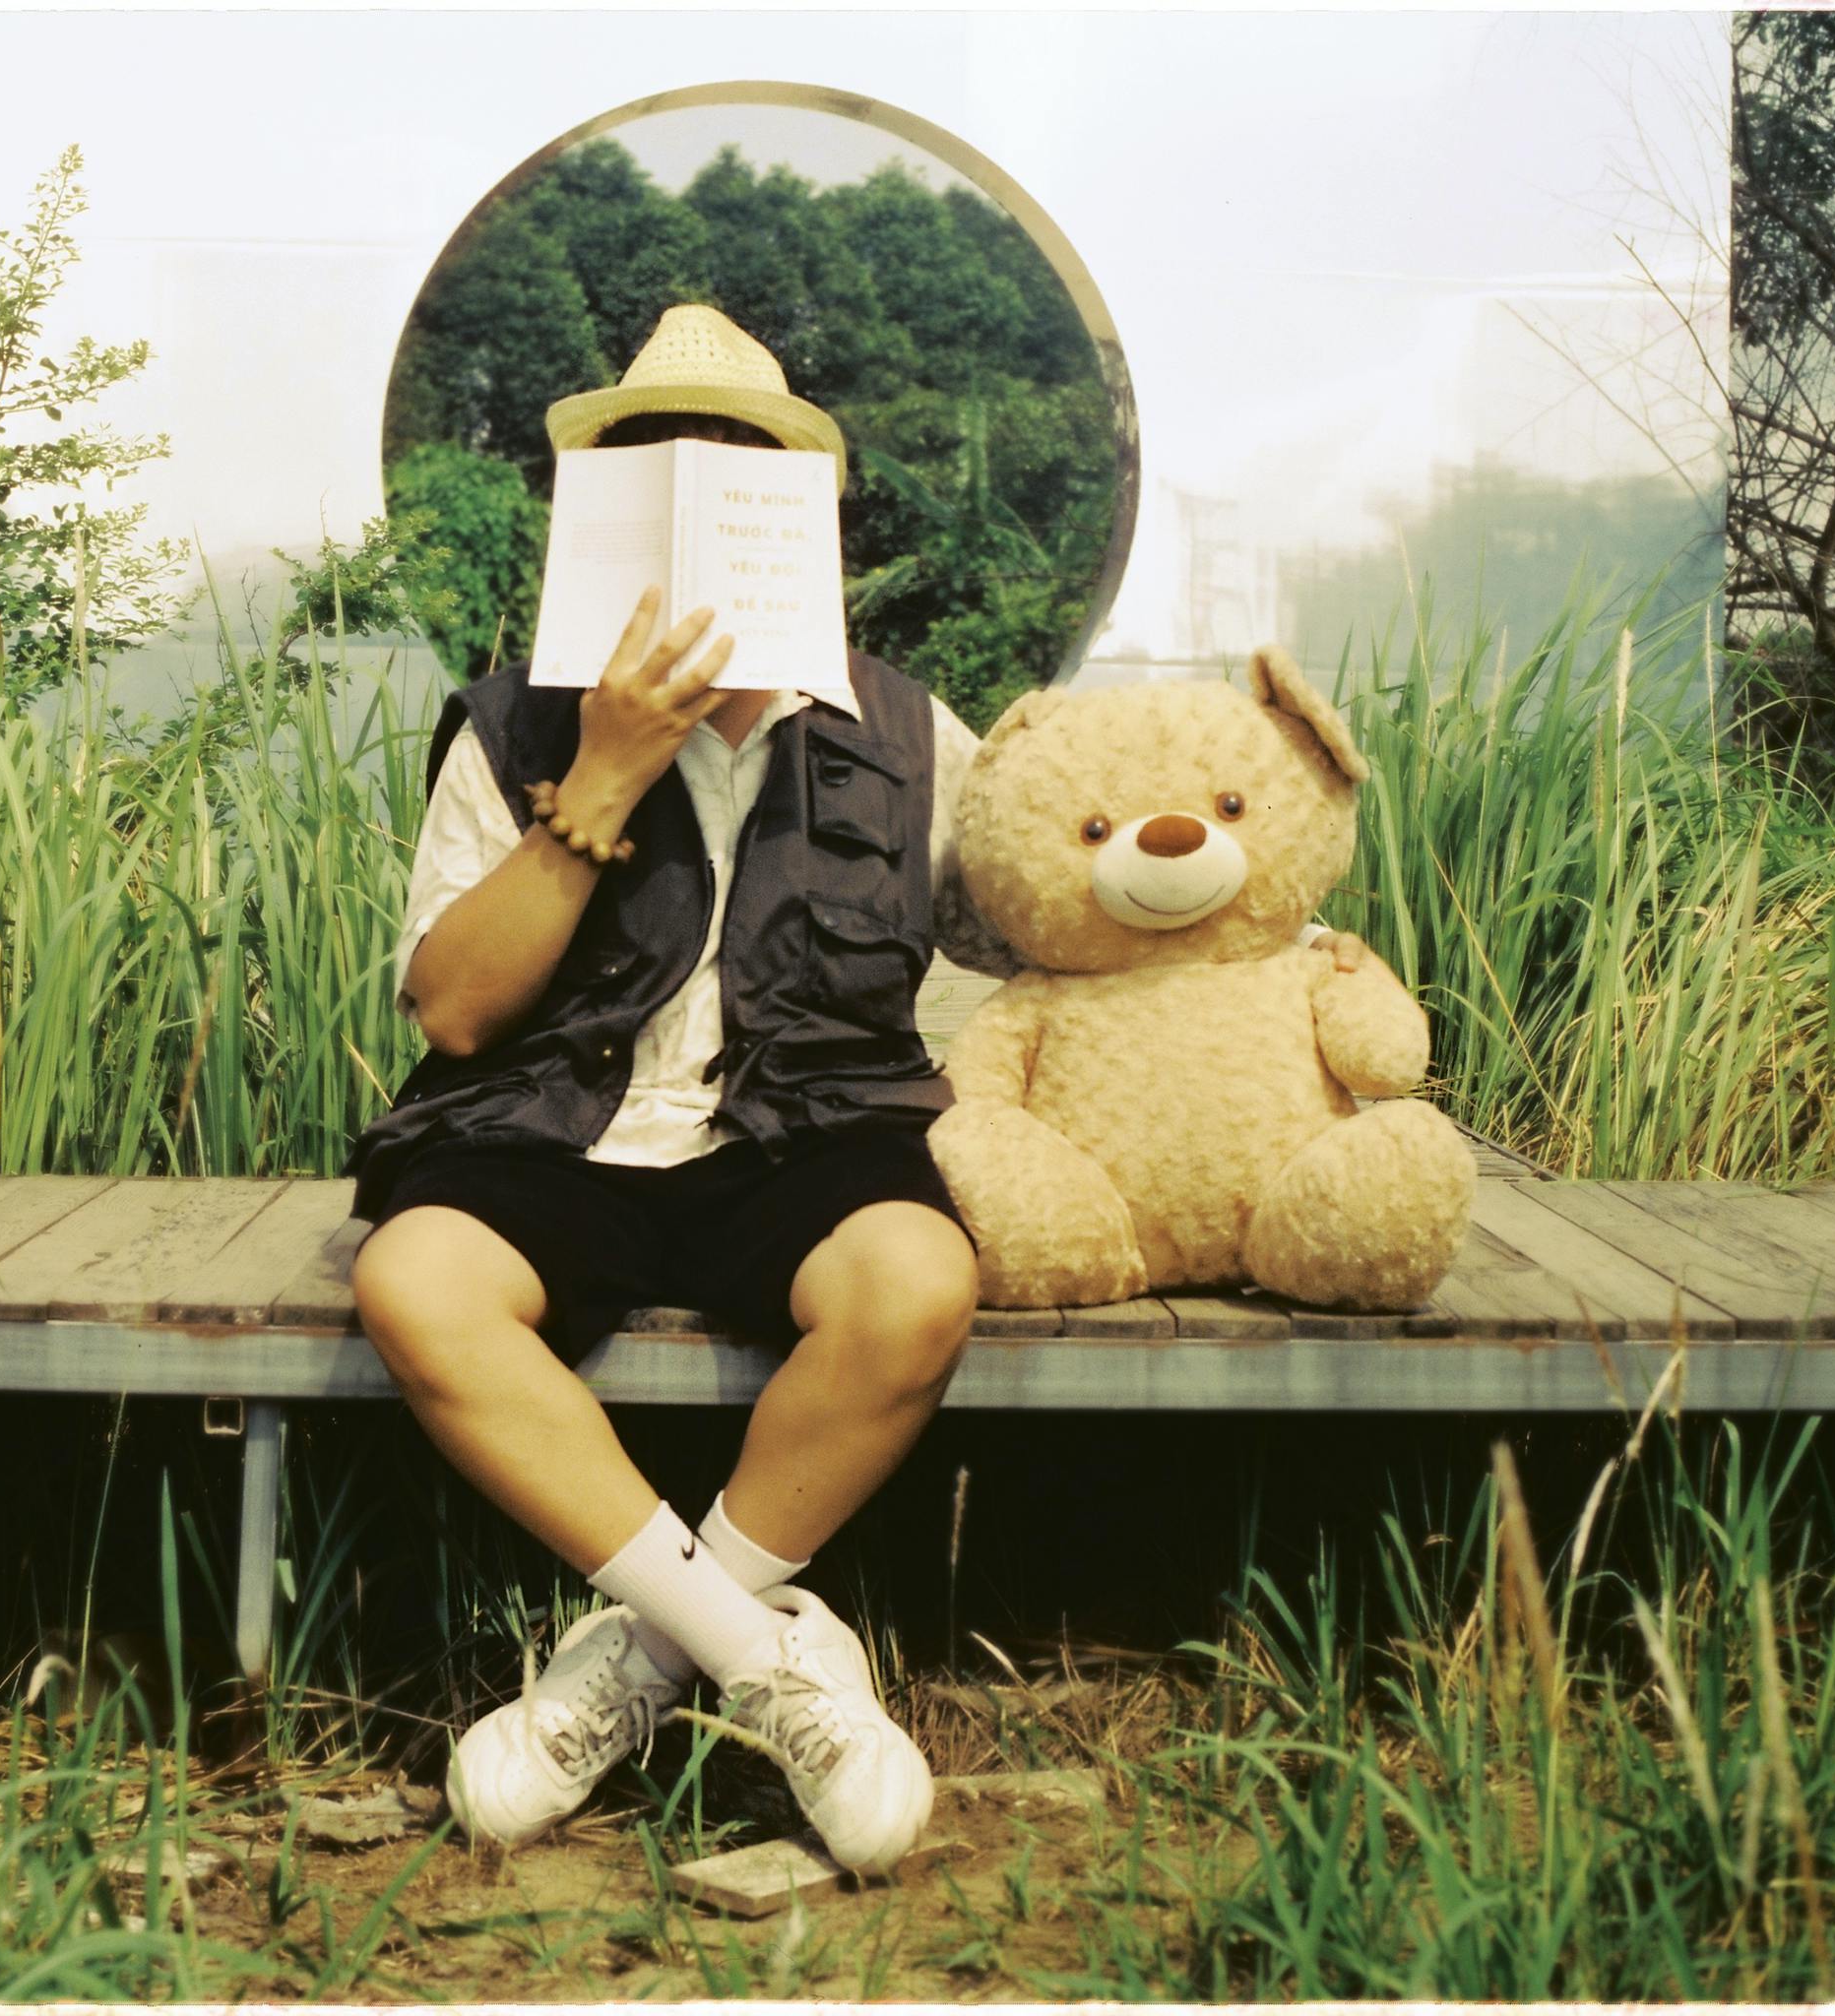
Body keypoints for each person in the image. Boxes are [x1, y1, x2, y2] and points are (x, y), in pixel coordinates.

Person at [348, 305, 1360, 1874]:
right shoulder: (513, 723)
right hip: (553, 1124)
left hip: (805, 1129)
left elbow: (1044, 912)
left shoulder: (905, 729)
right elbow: (459, 1012)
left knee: (916, 1276)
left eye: (738, 466)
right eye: (652, 465)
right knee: (417, 1277)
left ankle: (637, 1661)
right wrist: (602, 776)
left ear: (792, 516)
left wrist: (1257, 933)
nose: (700, 492)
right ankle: (763, 1663)